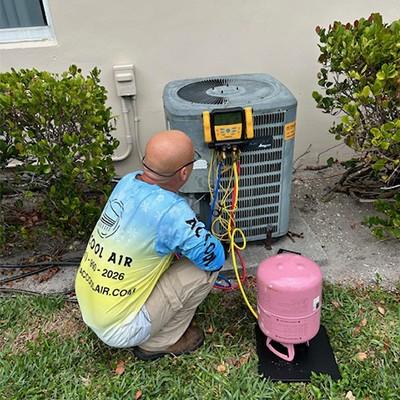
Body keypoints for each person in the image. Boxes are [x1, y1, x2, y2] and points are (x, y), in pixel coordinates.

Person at [75, 130, 225, 361]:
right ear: (184, 172)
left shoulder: (127, 181)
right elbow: (213, 257)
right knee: (203, 270)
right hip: (121, 328)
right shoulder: (173, 212)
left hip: (90, 305)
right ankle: (160, 342)